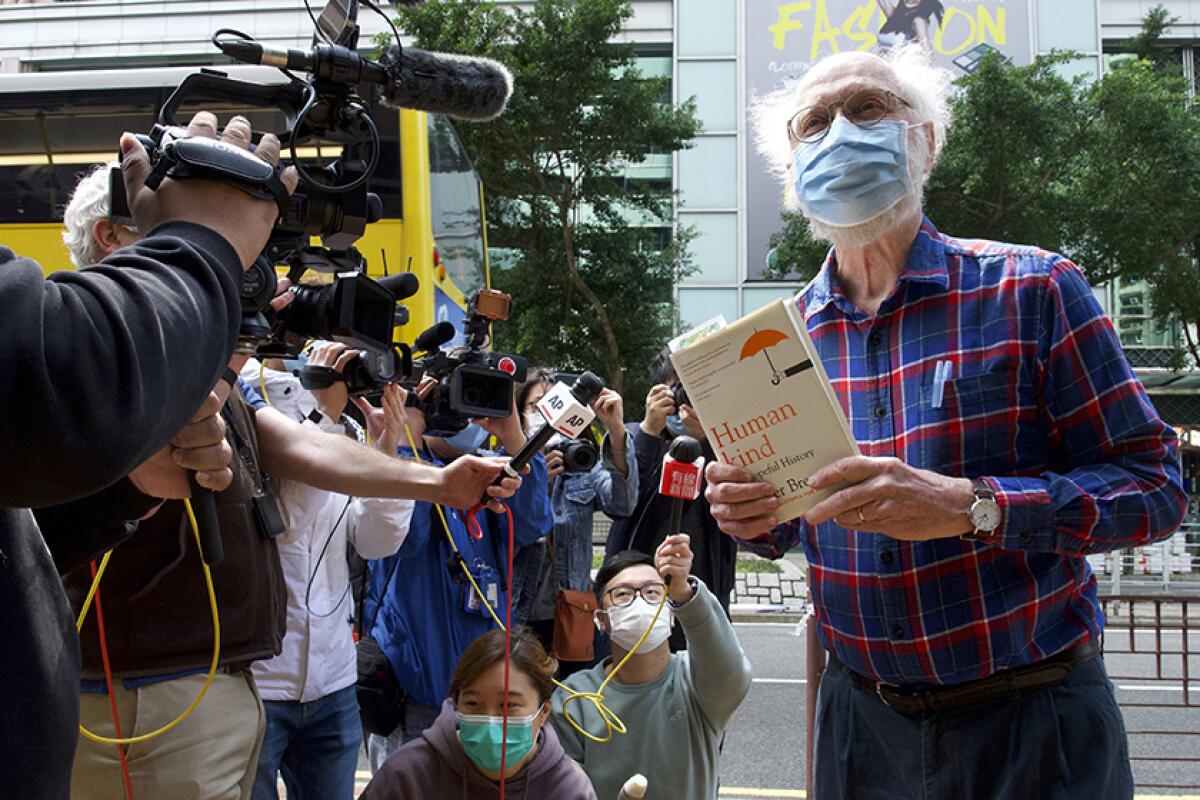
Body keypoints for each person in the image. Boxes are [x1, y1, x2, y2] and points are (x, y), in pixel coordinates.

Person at [712, 47, 1188, 800]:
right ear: (793, 170)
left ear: (926, 139)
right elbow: (788, 525)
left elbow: (1157, 488)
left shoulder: (1034, 288)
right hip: (861, 727)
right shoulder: (774, 344)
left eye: (868, 109)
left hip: (1035, 722)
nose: (840, 133)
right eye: (814, 124)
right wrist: (749, 515)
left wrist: (973, 507)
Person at [51, 163, 525, 800]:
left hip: (227, 686)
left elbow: (297, 445)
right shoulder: (86, 347)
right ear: (112, 235)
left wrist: (438, 482)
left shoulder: (205, 373)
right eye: (194, 235)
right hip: (142, 698)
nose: (221, 268)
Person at [0, 111, 297, 800]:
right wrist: (202, 243)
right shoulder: (107, 362)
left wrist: (122, 488)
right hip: (147, 707)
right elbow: (45, 381)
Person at [247, 345, 416, 800]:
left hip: (334, 681)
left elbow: (377, 542)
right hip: (255, 683)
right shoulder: (249, 397)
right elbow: (284, 522)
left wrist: (384, 451)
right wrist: (325, 417)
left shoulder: (345, 434)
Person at [363, 380, 551, 770]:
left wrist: (515, 439)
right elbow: (404, 536)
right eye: (446, 405)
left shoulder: (489, 475)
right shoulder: (406, 471)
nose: (463, 419)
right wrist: (404, 447)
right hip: (417, 692)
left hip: (485, 694)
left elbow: (534, 523)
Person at [550, 535, 751, 800]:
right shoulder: (573, 698)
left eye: (652, 592)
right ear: (602, 620)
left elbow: (730, 672)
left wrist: (683, 592)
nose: (639, 601)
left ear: (670, 613)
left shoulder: (694, 681)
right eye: (622, 594)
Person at [606, 351, 747, 649]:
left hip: (705, 585)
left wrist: (707, 442)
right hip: (637, 588)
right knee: (634, 678)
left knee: (703, 682)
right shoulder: (633, 437)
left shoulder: (727, 447)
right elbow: (624, 502)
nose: (684, 402)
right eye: (677, 390)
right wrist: (649, 431)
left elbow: (732, 498)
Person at [361, 628, 596, 800]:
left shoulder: (569, 788)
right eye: (473, 703)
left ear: (543, 711)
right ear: (457, 704)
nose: (491, 720)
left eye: (508, 706)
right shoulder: (407, 776)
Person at [517, 368, 637, 670]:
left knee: (575, 705)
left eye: (556, 401)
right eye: (536, 405)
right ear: (519, 415)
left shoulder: (583, 465)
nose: (546, 413)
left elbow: (621, 505)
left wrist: (616, 429)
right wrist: (534, 480)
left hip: (571, 614)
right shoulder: (507, 467)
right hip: (516, 612)